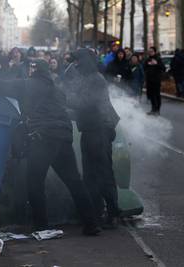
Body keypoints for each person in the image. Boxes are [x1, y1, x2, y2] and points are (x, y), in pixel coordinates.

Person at [0, 60, 101, 236]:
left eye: (31, 68)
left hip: (43, 137)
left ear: (33, 70)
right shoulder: (56, 90)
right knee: (74, 182)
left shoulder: (25, 85)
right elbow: (69, 108)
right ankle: (91, 224)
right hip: (63, 137)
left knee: (35, 183)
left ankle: (41, 226)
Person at [67, 48, 121, 229]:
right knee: (90, 175)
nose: (75, 65)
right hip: (90, 130)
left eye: (77, 61)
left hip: (100, 130)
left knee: (103, 173)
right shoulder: (86, 78)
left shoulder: (96, 79)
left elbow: (85, 103)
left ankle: (113, 213)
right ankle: (96, 211)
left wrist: (63, 98)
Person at [143, 46, 165, 115]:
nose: (150, 53)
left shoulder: (158, 59)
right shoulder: (147, 59)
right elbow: (144, 67)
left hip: (156, 80)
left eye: (151, 51)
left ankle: (157, 110)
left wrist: (156, 64)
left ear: (155, 52)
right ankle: (153, 109)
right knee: (151, 95)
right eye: (149, 52)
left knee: (157, 95)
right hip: (149, 80)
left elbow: (163, 68)